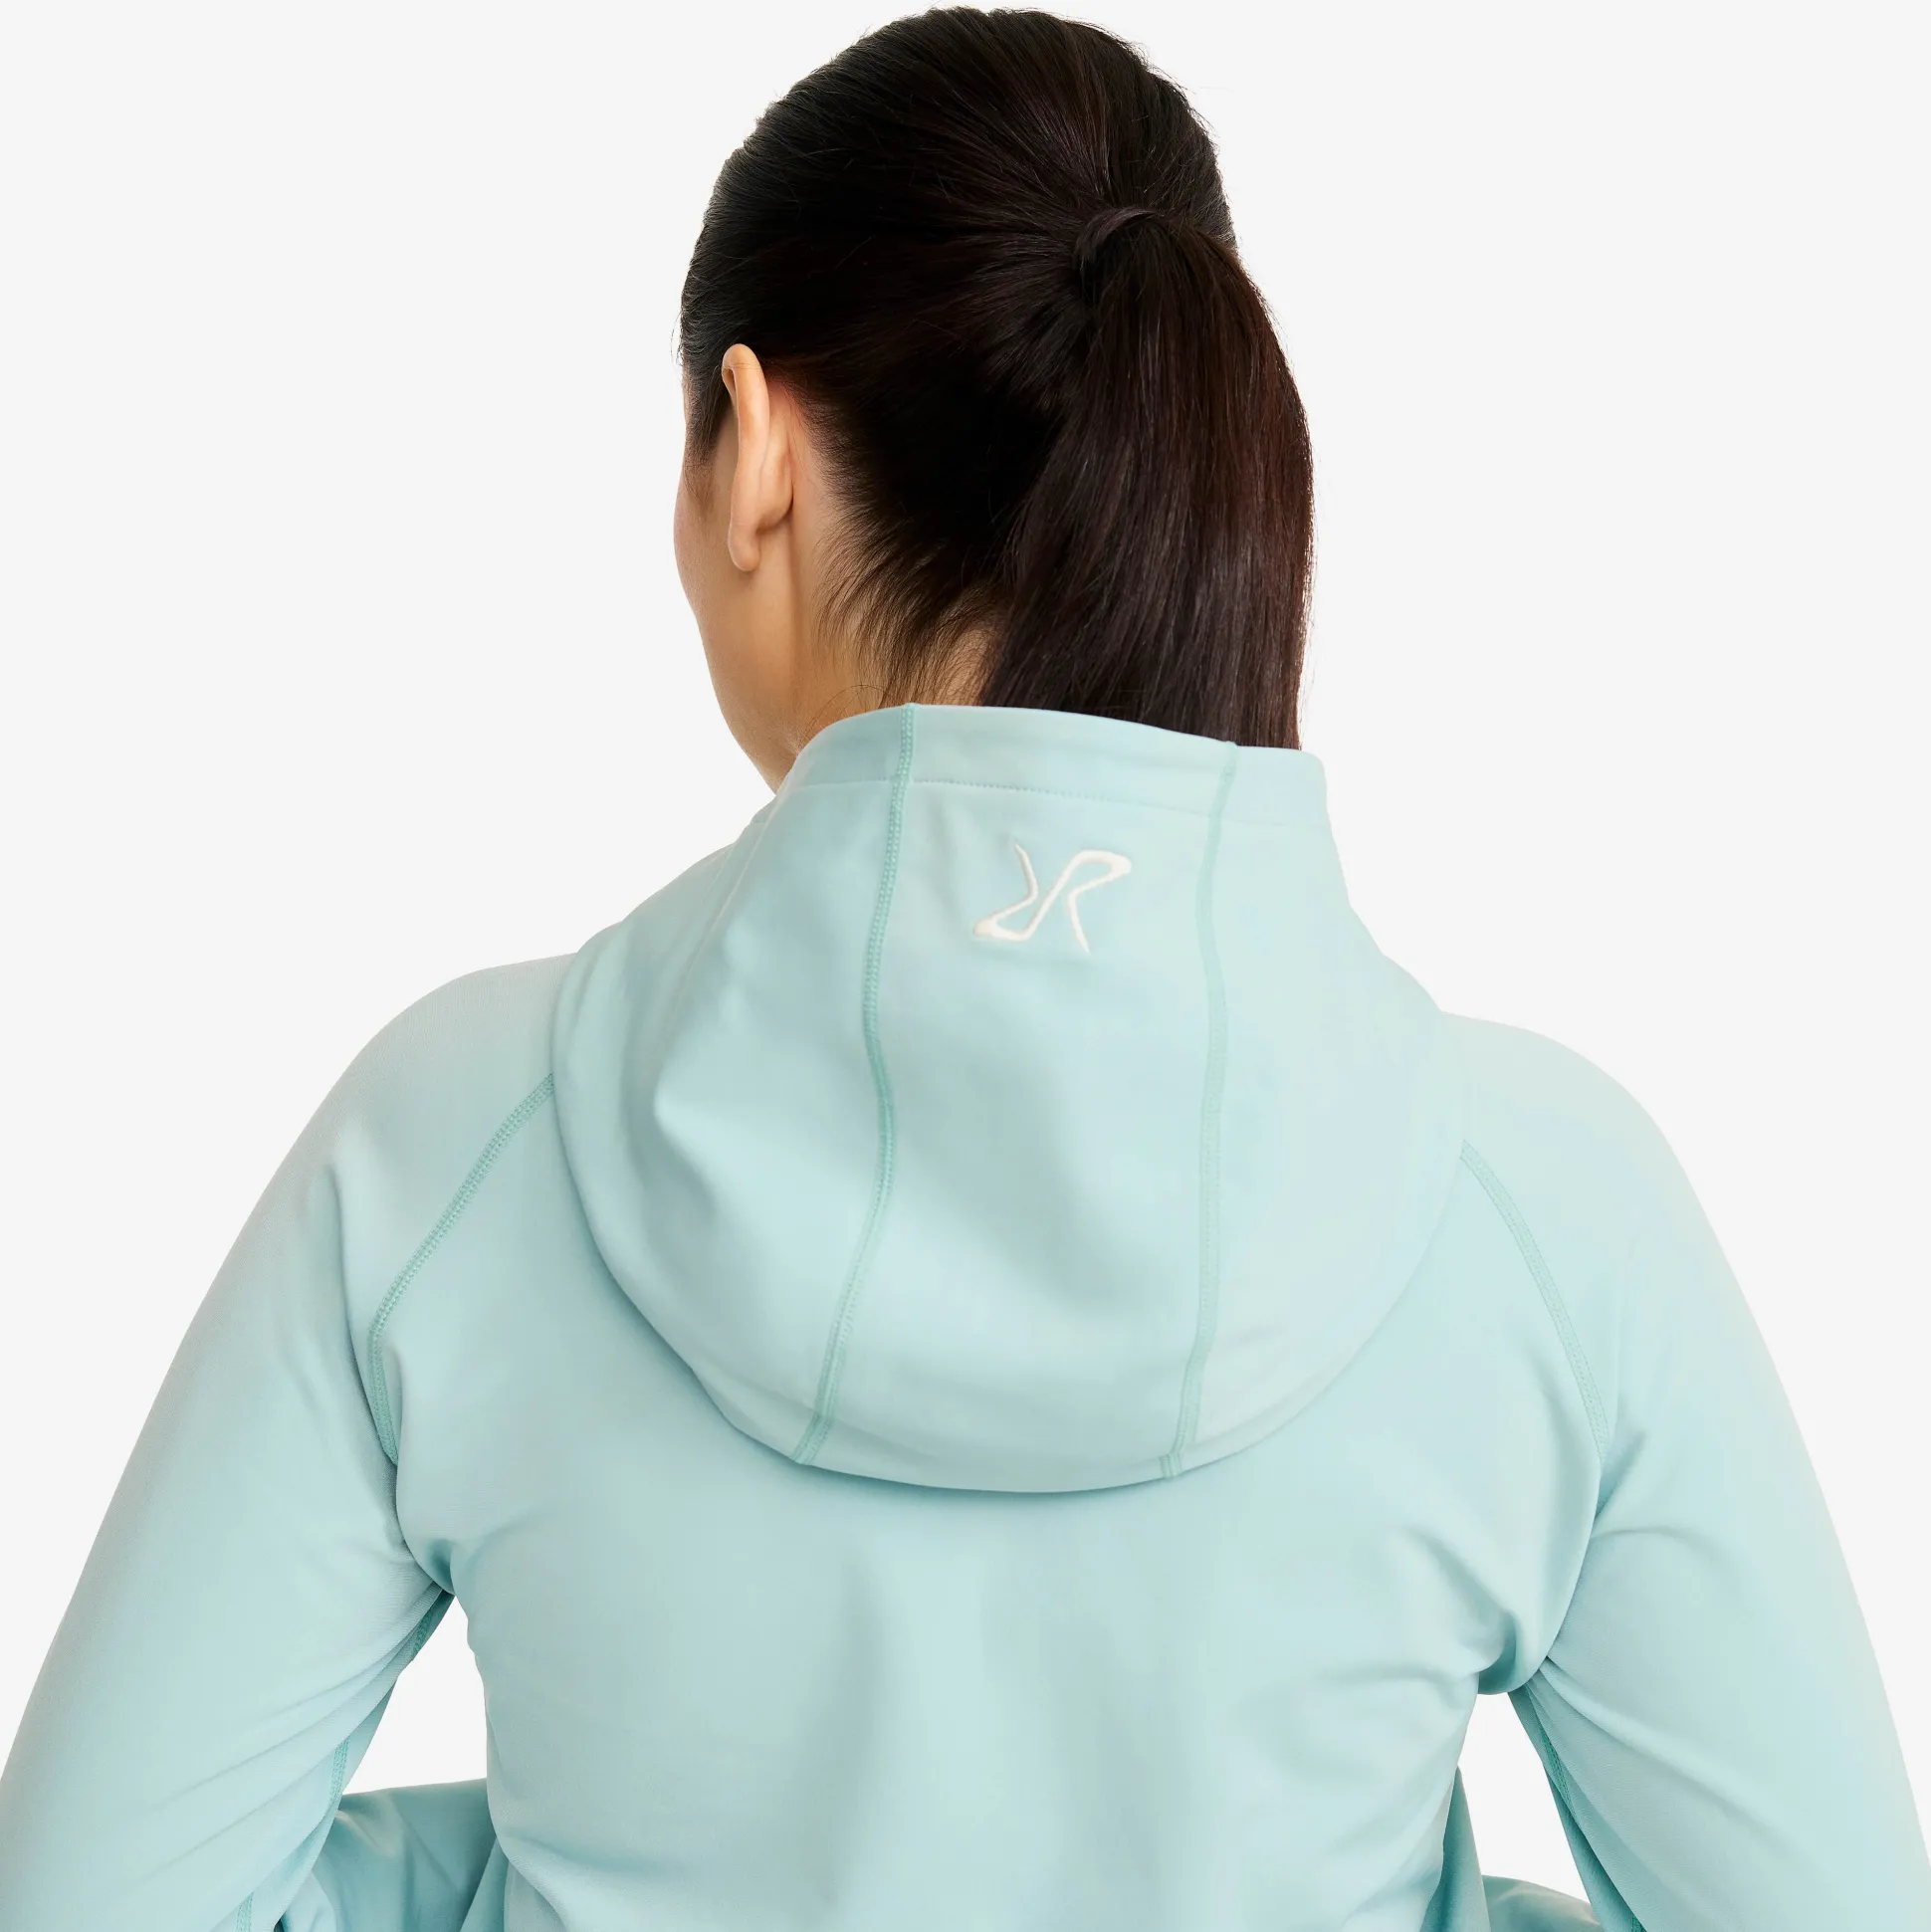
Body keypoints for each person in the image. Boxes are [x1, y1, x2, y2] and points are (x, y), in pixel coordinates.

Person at [1, 8, 1925, 1929]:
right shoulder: (1551, 1210)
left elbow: (95, 1901)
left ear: (753, 452)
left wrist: (550, 1876)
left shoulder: (448, 1145)